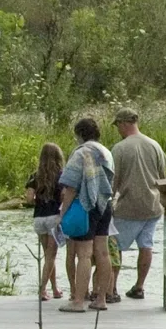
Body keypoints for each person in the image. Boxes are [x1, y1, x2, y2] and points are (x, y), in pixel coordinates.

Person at [110, 107, 166, 301]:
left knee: (115, 246)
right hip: (153, 206)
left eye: (118, 125)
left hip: (128, 207)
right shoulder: (154, 145)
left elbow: (113, 181)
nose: (118, 129)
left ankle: (112, 288)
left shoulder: (119, 149)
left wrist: (108, 204)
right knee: (146, 245)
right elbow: (163, 177)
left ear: (124, 124)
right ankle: (139, 286)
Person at [57, 117, 115, 312]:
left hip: (86, 205)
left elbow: (71, 186)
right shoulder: (106, 152)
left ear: (80, 134)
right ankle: (101, 299)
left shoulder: (81, 153)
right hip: (105, 204)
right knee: (103, 252)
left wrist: (63, 212)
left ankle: (78, 301)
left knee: (83, 254)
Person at [25, 142, 65, 300]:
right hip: (54, 217)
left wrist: (38, 201)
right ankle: (42, 290)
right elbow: (63, 197)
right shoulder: (62, 175)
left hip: (39, 219)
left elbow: (29, 199)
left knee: (48, 256)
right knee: (51, 256)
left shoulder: (35, 176)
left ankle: (54, 289)